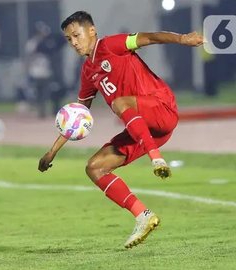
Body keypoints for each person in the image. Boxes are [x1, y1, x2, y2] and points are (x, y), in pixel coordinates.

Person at [38, 11, 203, 248]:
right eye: (68, 39)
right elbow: (77, 116)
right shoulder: (87, 71)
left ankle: (156, 160)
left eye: (76, 35)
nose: (73, 42)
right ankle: (143, 216)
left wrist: (182, 39)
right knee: (95, 167)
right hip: (143, 129)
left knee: (120, 101)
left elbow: (150, 37)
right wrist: (52, 152)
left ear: (92, 30)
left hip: (161, 109)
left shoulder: (111, 45)